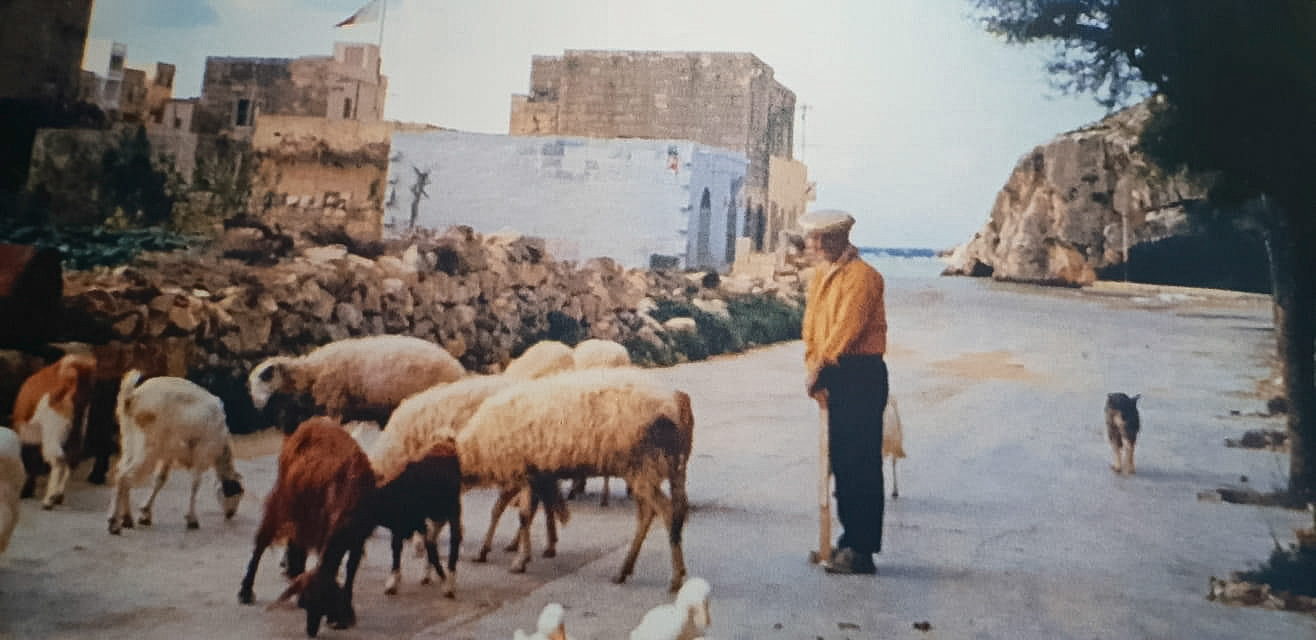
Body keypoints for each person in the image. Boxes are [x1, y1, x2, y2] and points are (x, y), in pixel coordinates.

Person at [800, 209, 888, 575]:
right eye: (815, 238)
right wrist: (813, 366)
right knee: (840, 459)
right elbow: (814, 326)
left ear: (842, 238)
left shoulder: (864, 278)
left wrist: (819, 370)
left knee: (860, 462)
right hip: (834, 372)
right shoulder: (821, 276)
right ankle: (845, 542)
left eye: (826, 239)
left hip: (859, 372)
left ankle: (862, 549)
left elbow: (845, 329)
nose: (818, 245)